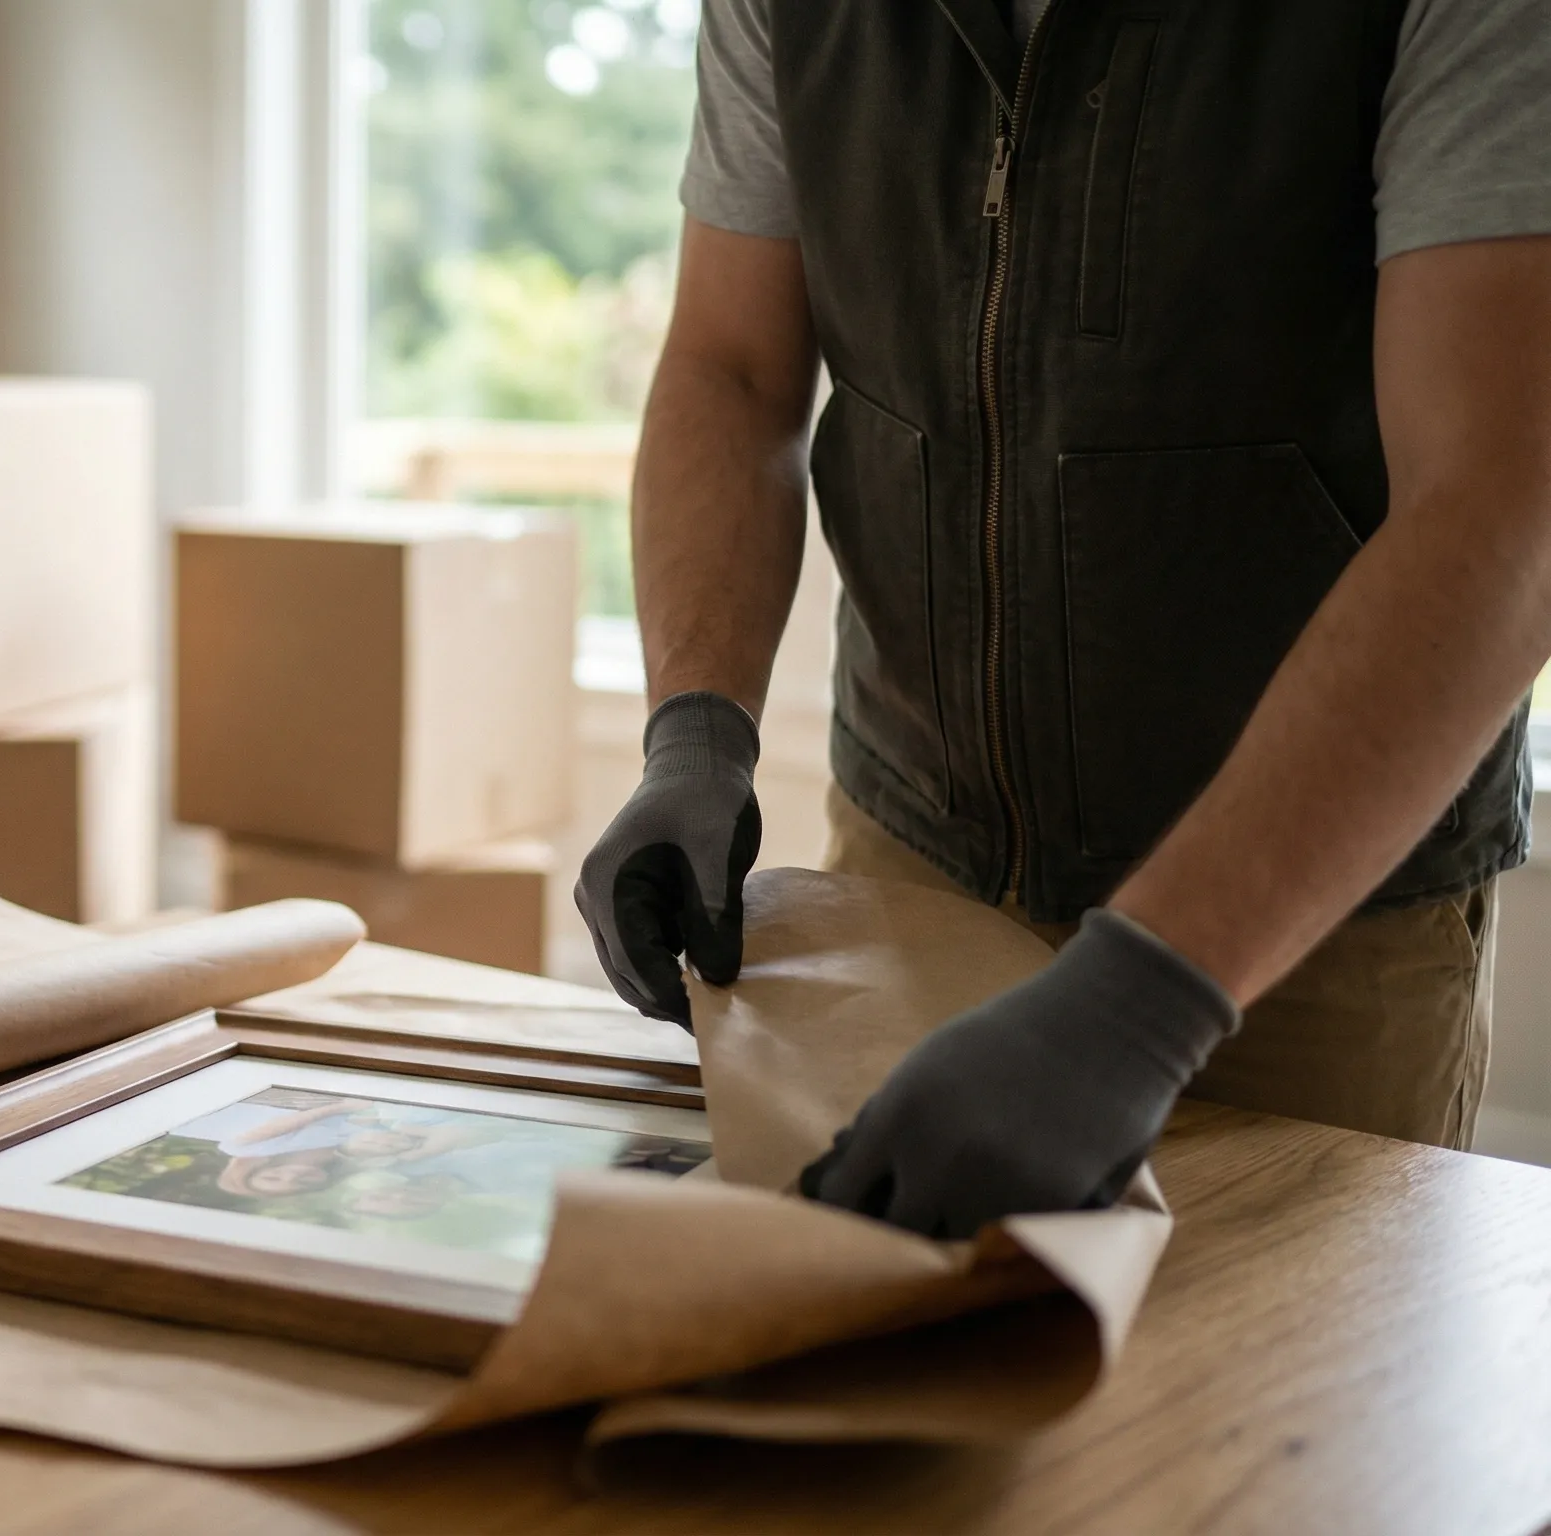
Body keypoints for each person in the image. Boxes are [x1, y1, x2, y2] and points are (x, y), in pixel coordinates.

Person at [576, 0, 1551, 1239]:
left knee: (1272, 1423)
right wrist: (697, 733)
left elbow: (1505, 510)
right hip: (908, 868)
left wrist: (1140, 1000)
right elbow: (731, 366)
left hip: (1305, 932)